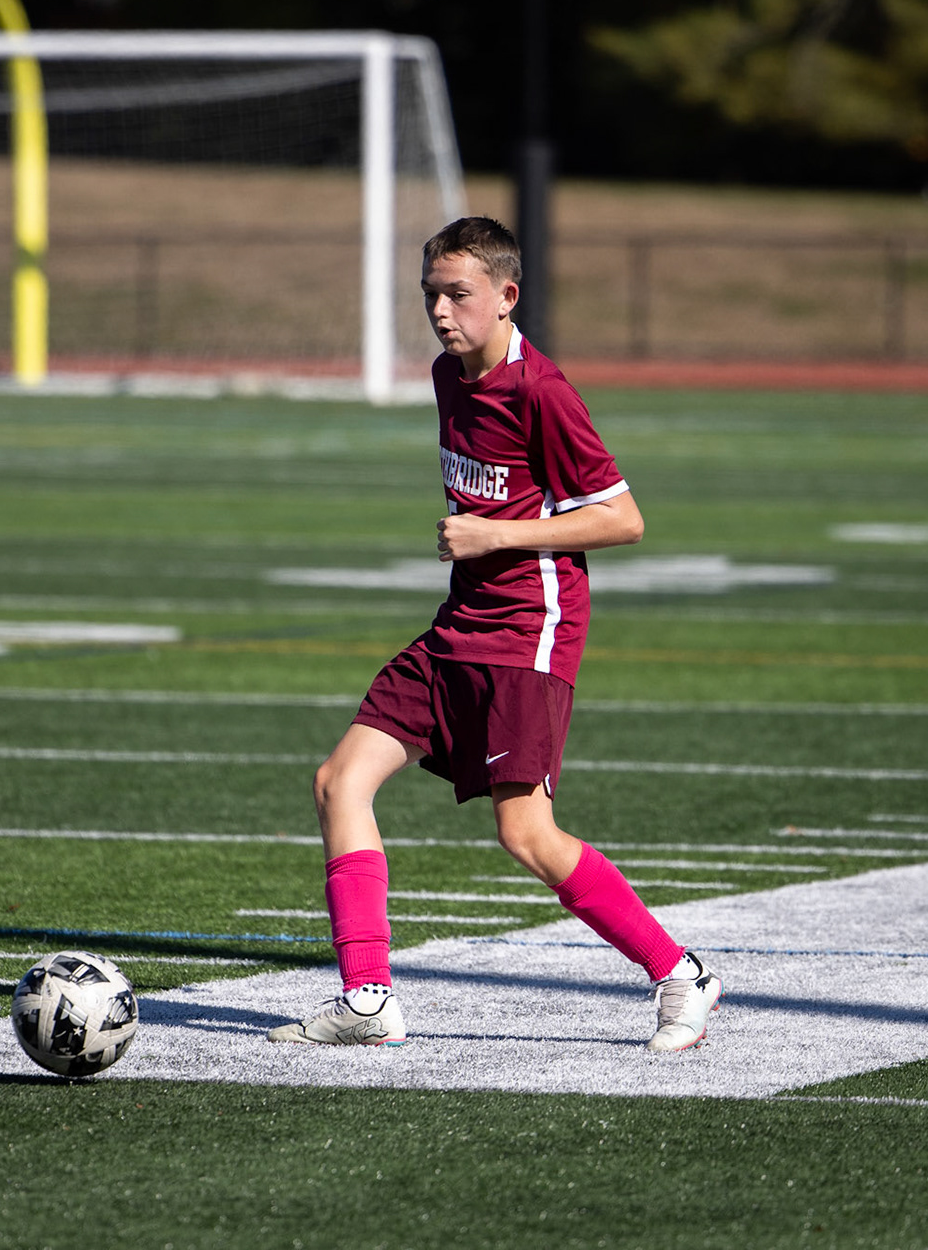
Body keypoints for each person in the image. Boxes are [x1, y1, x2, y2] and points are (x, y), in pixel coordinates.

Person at [268, 217, 722, 1054]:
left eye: (459, 295)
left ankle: (682, 974)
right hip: (458, 627)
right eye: (431, 294)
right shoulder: (449, 375)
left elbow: (623, 520)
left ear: (508, 297)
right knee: (339, 781)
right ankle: (368, 997)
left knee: (526, 835)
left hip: (528, 633)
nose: (441, 312)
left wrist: (496, 537)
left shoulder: (542, 390)